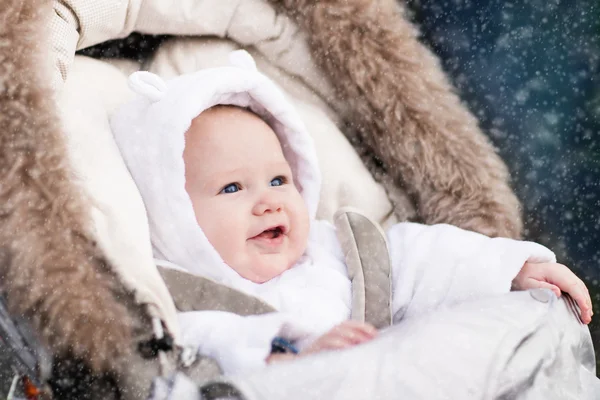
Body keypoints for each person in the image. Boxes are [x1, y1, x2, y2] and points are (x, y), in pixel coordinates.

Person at [110, 50, 593, 375]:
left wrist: (513, 270)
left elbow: (425, 260)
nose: (270, 201)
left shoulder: (338, 250)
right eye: (232, 187)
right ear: (172, 213)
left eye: (279, 179)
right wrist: (290, 353)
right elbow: (204, 349)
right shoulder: (181, 299)